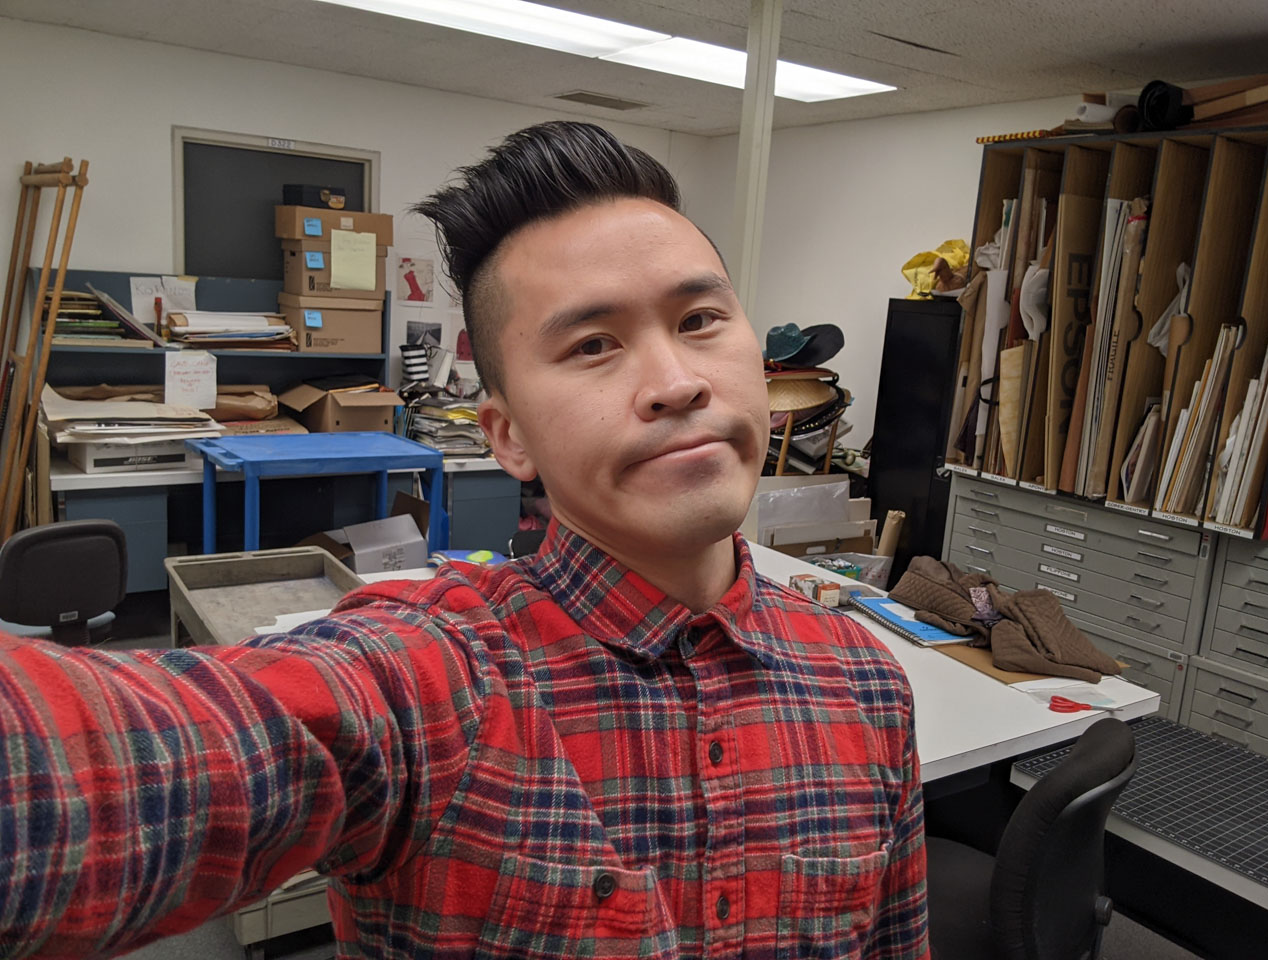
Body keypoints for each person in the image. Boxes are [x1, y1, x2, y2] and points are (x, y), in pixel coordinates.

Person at [0, 121, 927, 959]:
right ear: (507, 435)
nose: (676, 381)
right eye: (593, 345)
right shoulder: (435, 681)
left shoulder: (868, 683)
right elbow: (132, 763)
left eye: (699, 320)